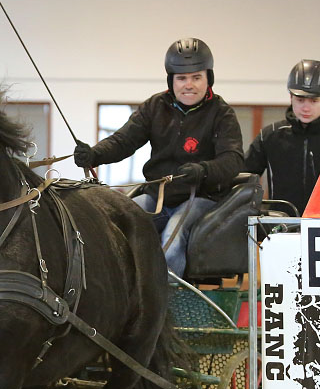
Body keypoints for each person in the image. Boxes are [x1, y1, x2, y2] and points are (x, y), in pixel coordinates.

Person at [73, 38, 243, 277]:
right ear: (171, 80)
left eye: (196, 77)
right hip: (157, 195)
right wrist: (94, 154)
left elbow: (233, 160)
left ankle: (168, 308)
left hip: (201, 197)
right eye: (181, 78)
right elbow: (124, 141)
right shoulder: (155, 107)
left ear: (209, 78)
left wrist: (203, 170)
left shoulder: (222, 114)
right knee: (116, 225)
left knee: (171, 240)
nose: (189, 85)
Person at [245, 59, 320, 212]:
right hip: (280, 225)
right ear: (290, 97)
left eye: (314, 101)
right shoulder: (270, 136)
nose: (306, 108)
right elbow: (244, 178)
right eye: (300, 100)